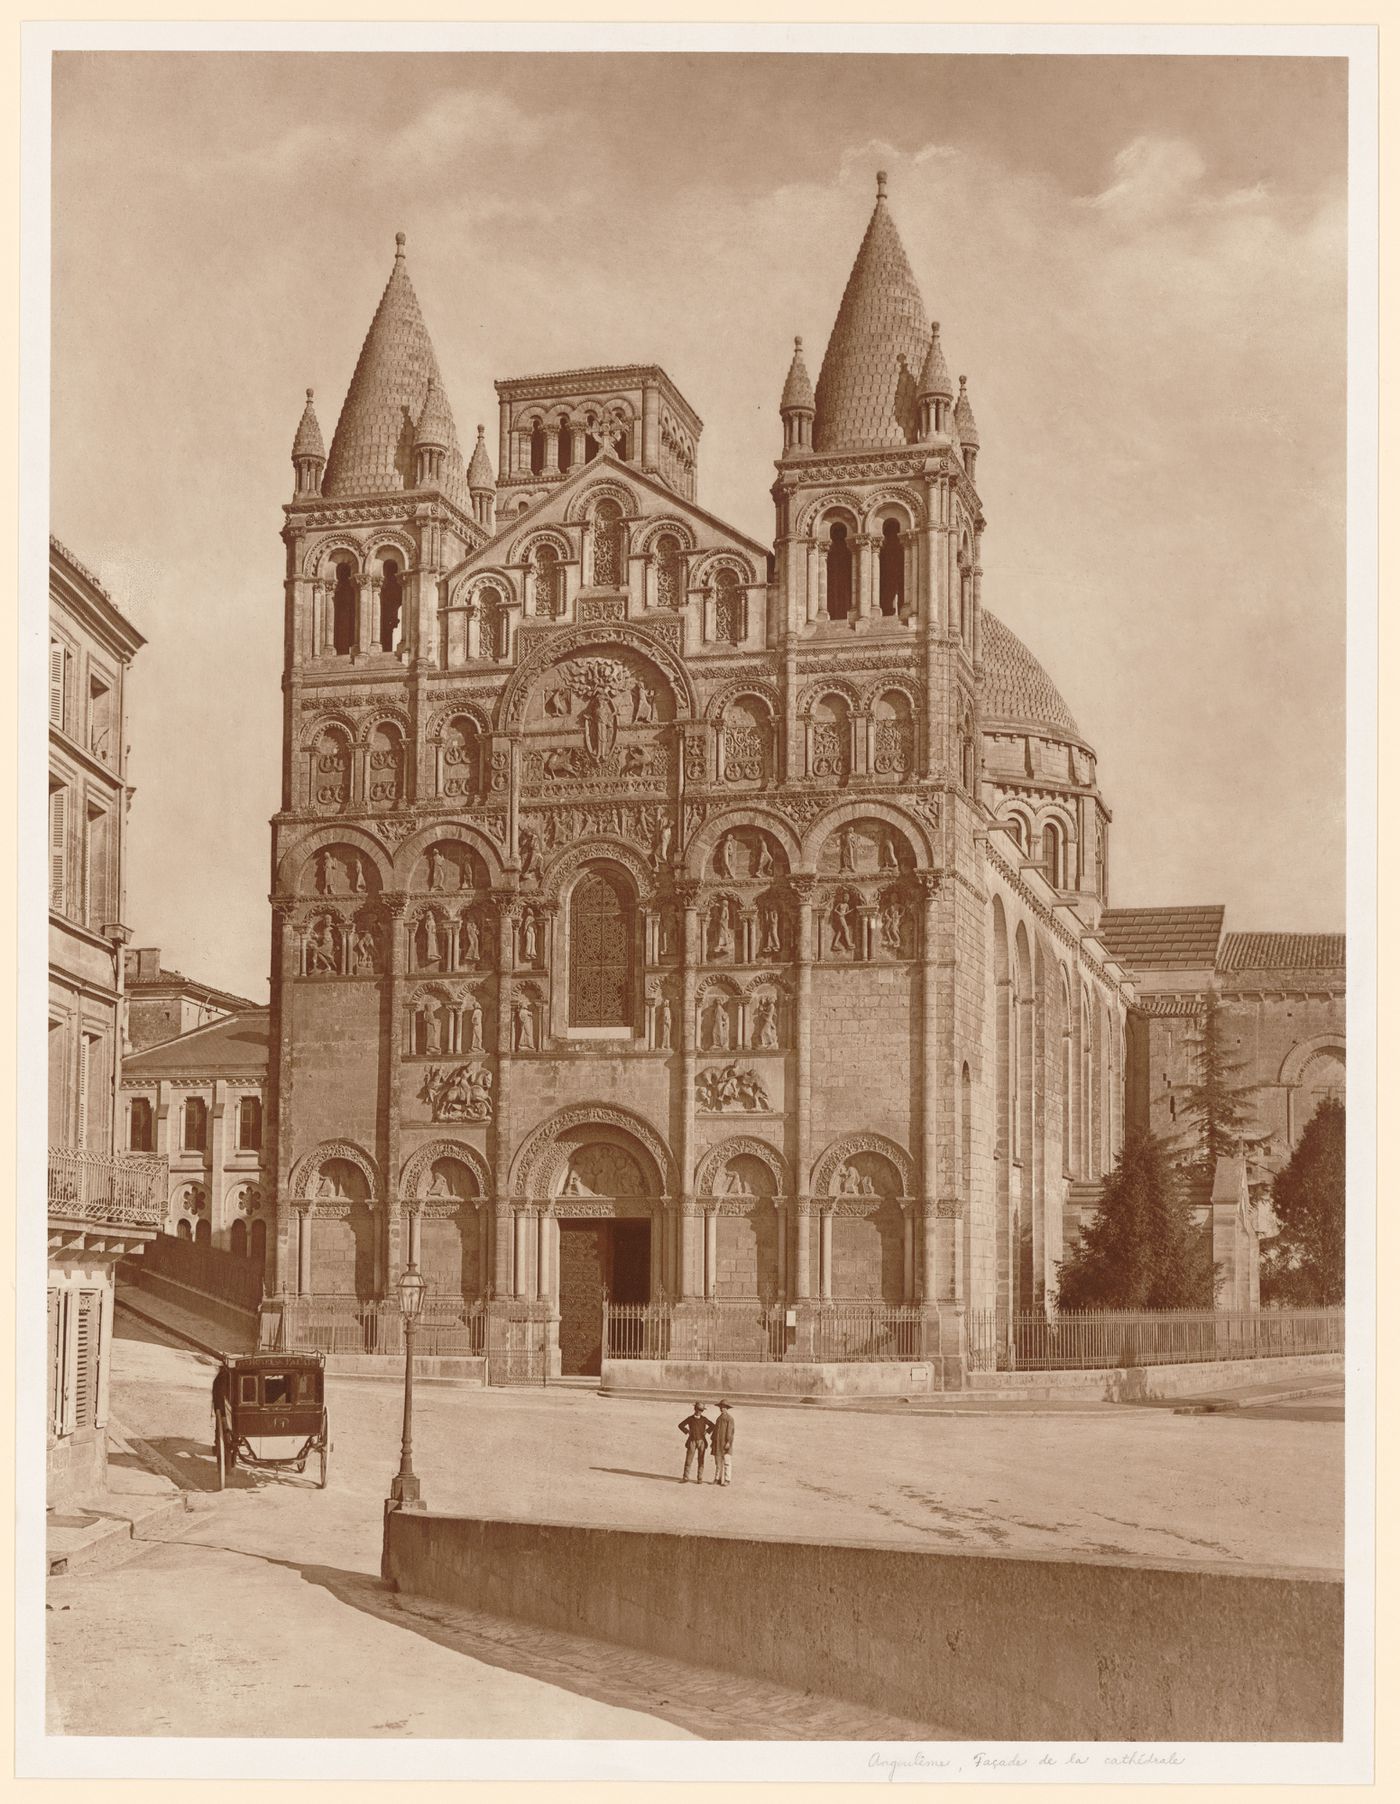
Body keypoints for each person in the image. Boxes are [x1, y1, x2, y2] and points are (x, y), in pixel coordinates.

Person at [678, 1402, 711, 1483]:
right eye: (698, 1409)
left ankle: (700, 1478)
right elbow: (680, 1425)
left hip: (702, 1442)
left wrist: (707, 1431)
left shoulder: (704, 1419)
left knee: (701, 1460)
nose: (699, 1411)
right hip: (691, 1441)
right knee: (688, 1460)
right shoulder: (690, 1418)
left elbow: (712, 1425)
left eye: (701, 1410)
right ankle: (685, 1477)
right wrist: (687, 1431)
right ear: (695, 1409)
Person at [710, 1400, 735, 1486]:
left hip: (725, 1444)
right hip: (717, 1444)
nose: (721, 1408)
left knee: (727, 1462)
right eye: (720, 1407)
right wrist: (713, 1441)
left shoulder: (729, 1419)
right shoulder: (719, 1418)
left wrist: (728, 1442)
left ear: (727, 1408)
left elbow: (731, 1432)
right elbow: (715, 1431)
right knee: (718, 1462)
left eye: (723, 1407)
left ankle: (727, 1479)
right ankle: (717, 1478)